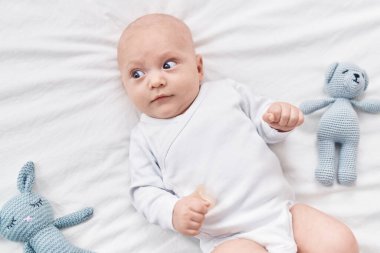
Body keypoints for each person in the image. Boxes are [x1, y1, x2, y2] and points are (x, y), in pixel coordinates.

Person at [117, 13, 359, 253]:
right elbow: (144, 191)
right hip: (227, 237)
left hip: (282, 213)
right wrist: (173, 211)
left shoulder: (226, 93)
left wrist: (278, 120)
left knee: (339, 242)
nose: (155, 81)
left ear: (198, 68)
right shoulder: (145, 137)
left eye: (168, 65)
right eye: (137, 74)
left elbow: (265, 120)